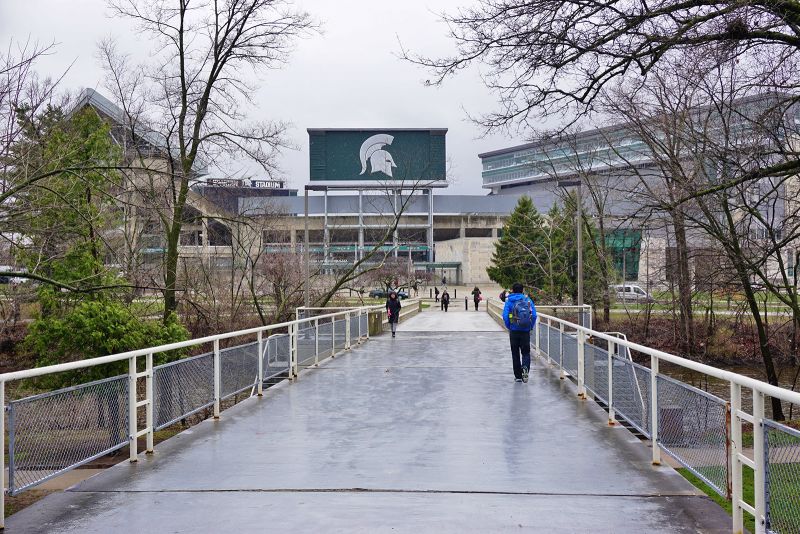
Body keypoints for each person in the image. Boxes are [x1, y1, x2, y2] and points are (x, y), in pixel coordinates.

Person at [502, 283, 537, 383]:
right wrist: (530, 326)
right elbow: (534, 315)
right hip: (525, 331)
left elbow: (505, 316)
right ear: (522, 290)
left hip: (514, 331)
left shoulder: (509, 301)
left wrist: (510, 326)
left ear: (512, 290)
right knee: (526, 352)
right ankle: (525, 369)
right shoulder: (527, 300)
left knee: (515, 353)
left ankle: (518, 376)